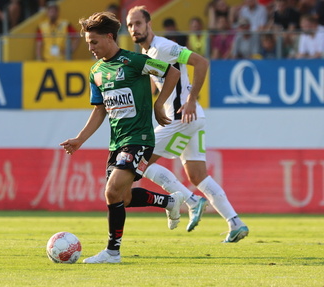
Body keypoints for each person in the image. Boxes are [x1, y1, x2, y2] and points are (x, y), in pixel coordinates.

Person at [60, 11, 182, 264]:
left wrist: (159, 105)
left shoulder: (134, 61)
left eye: (94, 42)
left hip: (139, 138)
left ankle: (112, 252)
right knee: (122, 197)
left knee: (112, 191)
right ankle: (169, 201)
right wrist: (80, 139)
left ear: (109, 37)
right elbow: (99, 110)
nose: (90, 47)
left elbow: (172, 73)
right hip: (117, 142)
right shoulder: (96, 72)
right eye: (87, 43)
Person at [126, 6, 249, 242]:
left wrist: (192, 99)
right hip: (192, 118)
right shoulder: (149, 53)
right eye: (130, 25)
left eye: (138, 23)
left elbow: (201, 62)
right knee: (198, 175)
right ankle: (235, 222)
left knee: (139, 161)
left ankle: (191, 201)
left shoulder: (164, 47)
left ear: (149, 24)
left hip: (183, 115)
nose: (134, 29)